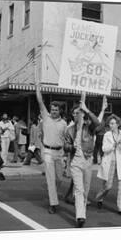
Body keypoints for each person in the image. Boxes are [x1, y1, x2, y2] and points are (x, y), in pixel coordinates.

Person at [64, 93, 100, 227]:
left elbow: (98, 123)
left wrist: (86, 109)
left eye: (79, 113)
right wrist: (70, 147)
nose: (77, 115)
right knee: (79, 189)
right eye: (75, 113)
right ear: (72, 115)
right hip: (75, 162)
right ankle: (80, 216)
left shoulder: (89, 128)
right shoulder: (69, 130)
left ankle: (82, 210)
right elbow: (65, 146)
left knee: (85, 189)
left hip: (88, 160)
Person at [35, 78, 67, 214]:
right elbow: (40, 101)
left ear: (59, 111)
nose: (53, 111)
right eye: (52, 109)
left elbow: (66, 139)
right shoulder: (46, 117)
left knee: (60, 178)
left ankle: (53, 194)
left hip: (59, 153)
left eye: (56, 109)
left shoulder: (64, 123)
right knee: (51, 179)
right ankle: (53, 204)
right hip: (47, 152)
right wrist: (37, 88)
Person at [95, 114, 121, 215]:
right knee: (108, 186)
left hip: (120, 163)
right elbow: (104, 149)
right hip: (109, 162)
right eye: (110, 123)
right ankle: (100, 198)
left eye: (113, 123)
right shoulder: (107, 135)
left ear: (118, 124)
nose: (111, 125)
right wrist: (114, 144)